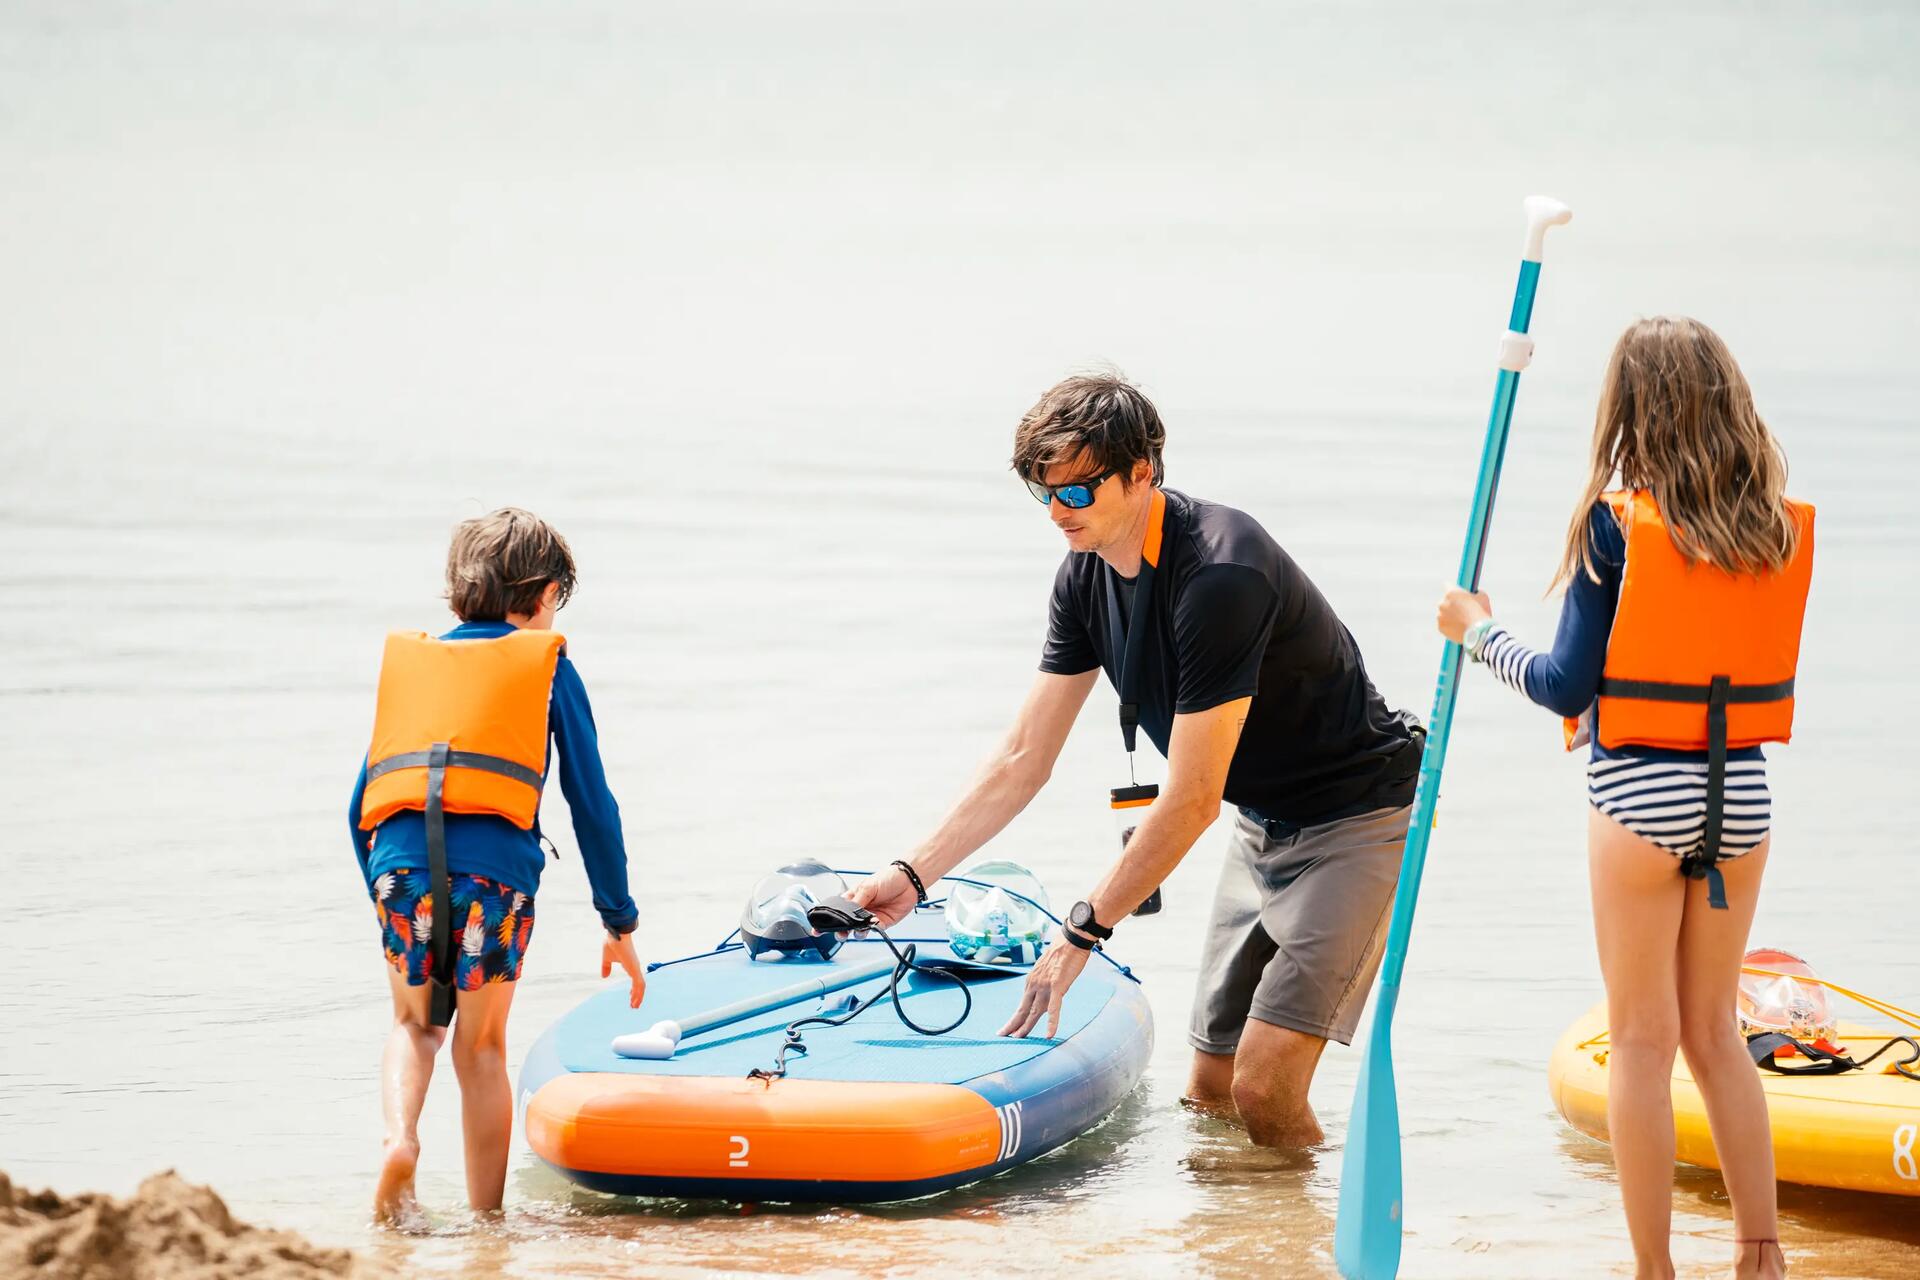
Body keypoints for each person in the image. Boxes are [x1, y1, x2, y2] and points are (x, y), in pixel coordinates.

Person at [849, 372, 1424, 1147]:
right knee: (1209, 1089)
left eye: (1077, 493)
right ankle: (1250, 1245)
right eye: (1041, 491)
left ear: (1142, 472)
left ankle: (1311, 1253)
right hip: (1263, 824)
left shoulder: (1221, 574)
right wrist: (914, 874)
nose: (1057, 513)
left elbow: (1190, 801)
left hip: (1360, 816)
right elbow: (1023, 756)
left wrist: (1080, 933)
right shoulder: (1084, 578)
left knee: (1263, 1086)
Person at [1436, 317, 1811, 1280]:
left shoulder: (1615, 523)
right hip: (1742, 802)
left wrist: (1477, 633)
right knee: (1715, 1032)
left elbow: (1564, 685)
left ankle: (1652, 1270)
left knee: (1642, 1043)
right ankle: (1761, 1252)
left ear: (1626, 410)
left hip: (1641, 799)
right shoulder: (1766, 522)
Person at [347, 508, 646, 1224]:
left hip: (401, 874)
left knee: (415, 1028)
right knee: (480, 1050)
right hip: (494, 885)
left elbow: (359, 802)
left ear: (458, 596)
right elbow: (591, 801)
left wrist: (386, 895)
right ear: (543, 595)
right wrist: (618, 919)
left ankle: (399, 1142)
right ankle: (487, 1224)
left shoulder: (423, 669)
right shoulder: (549, 669)